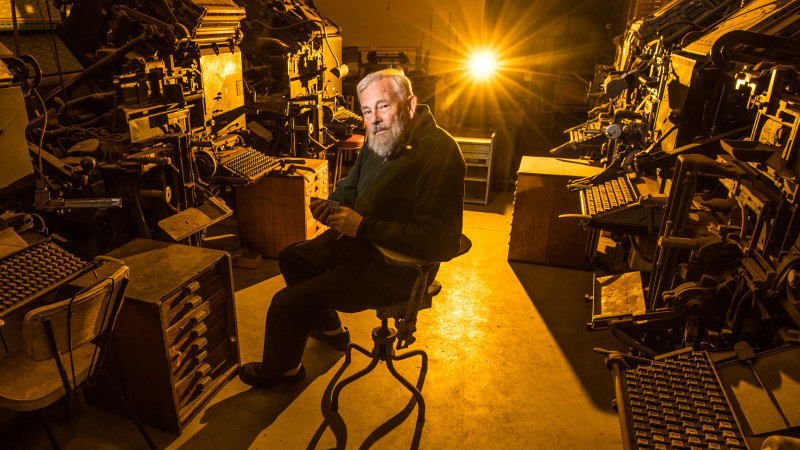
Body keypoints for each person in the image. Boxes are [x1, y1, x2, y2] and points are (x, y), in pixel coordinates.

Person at [239, 68, 466, 387]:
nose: (376, 120)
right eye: (369, 110)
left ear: (410, 104)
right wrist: (333, 204)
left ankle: (282, 373)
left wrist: (362, 226)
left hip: (398, 267)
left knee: (285, 304)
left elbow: (438, 242)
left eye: (385, 108)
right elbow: (352, 183)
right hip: (362, 241)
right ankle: (330, 329)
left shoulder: (440, 154)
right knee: (292, 258)